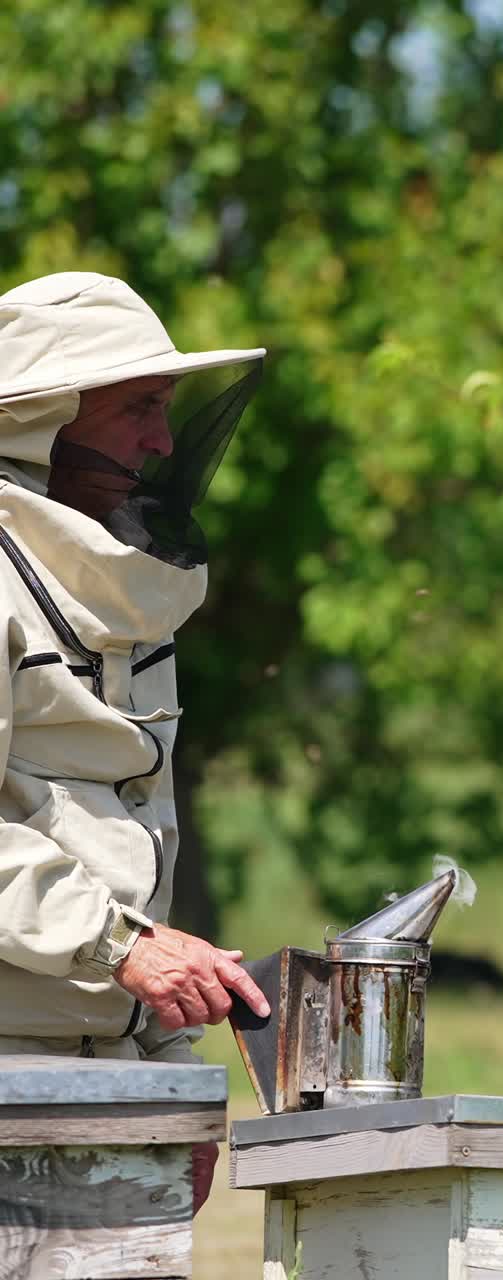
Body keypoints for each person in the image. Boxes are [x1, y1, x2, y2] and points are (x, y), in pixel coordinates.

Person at [0, 272, 272, 1210]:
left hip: (98, 1075)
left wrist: (170, 1076)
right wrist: (122, 948)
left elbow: (138, 832)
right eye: (139, 410)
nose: (164, 439)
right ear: (45, 424)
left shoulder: (125, 600)